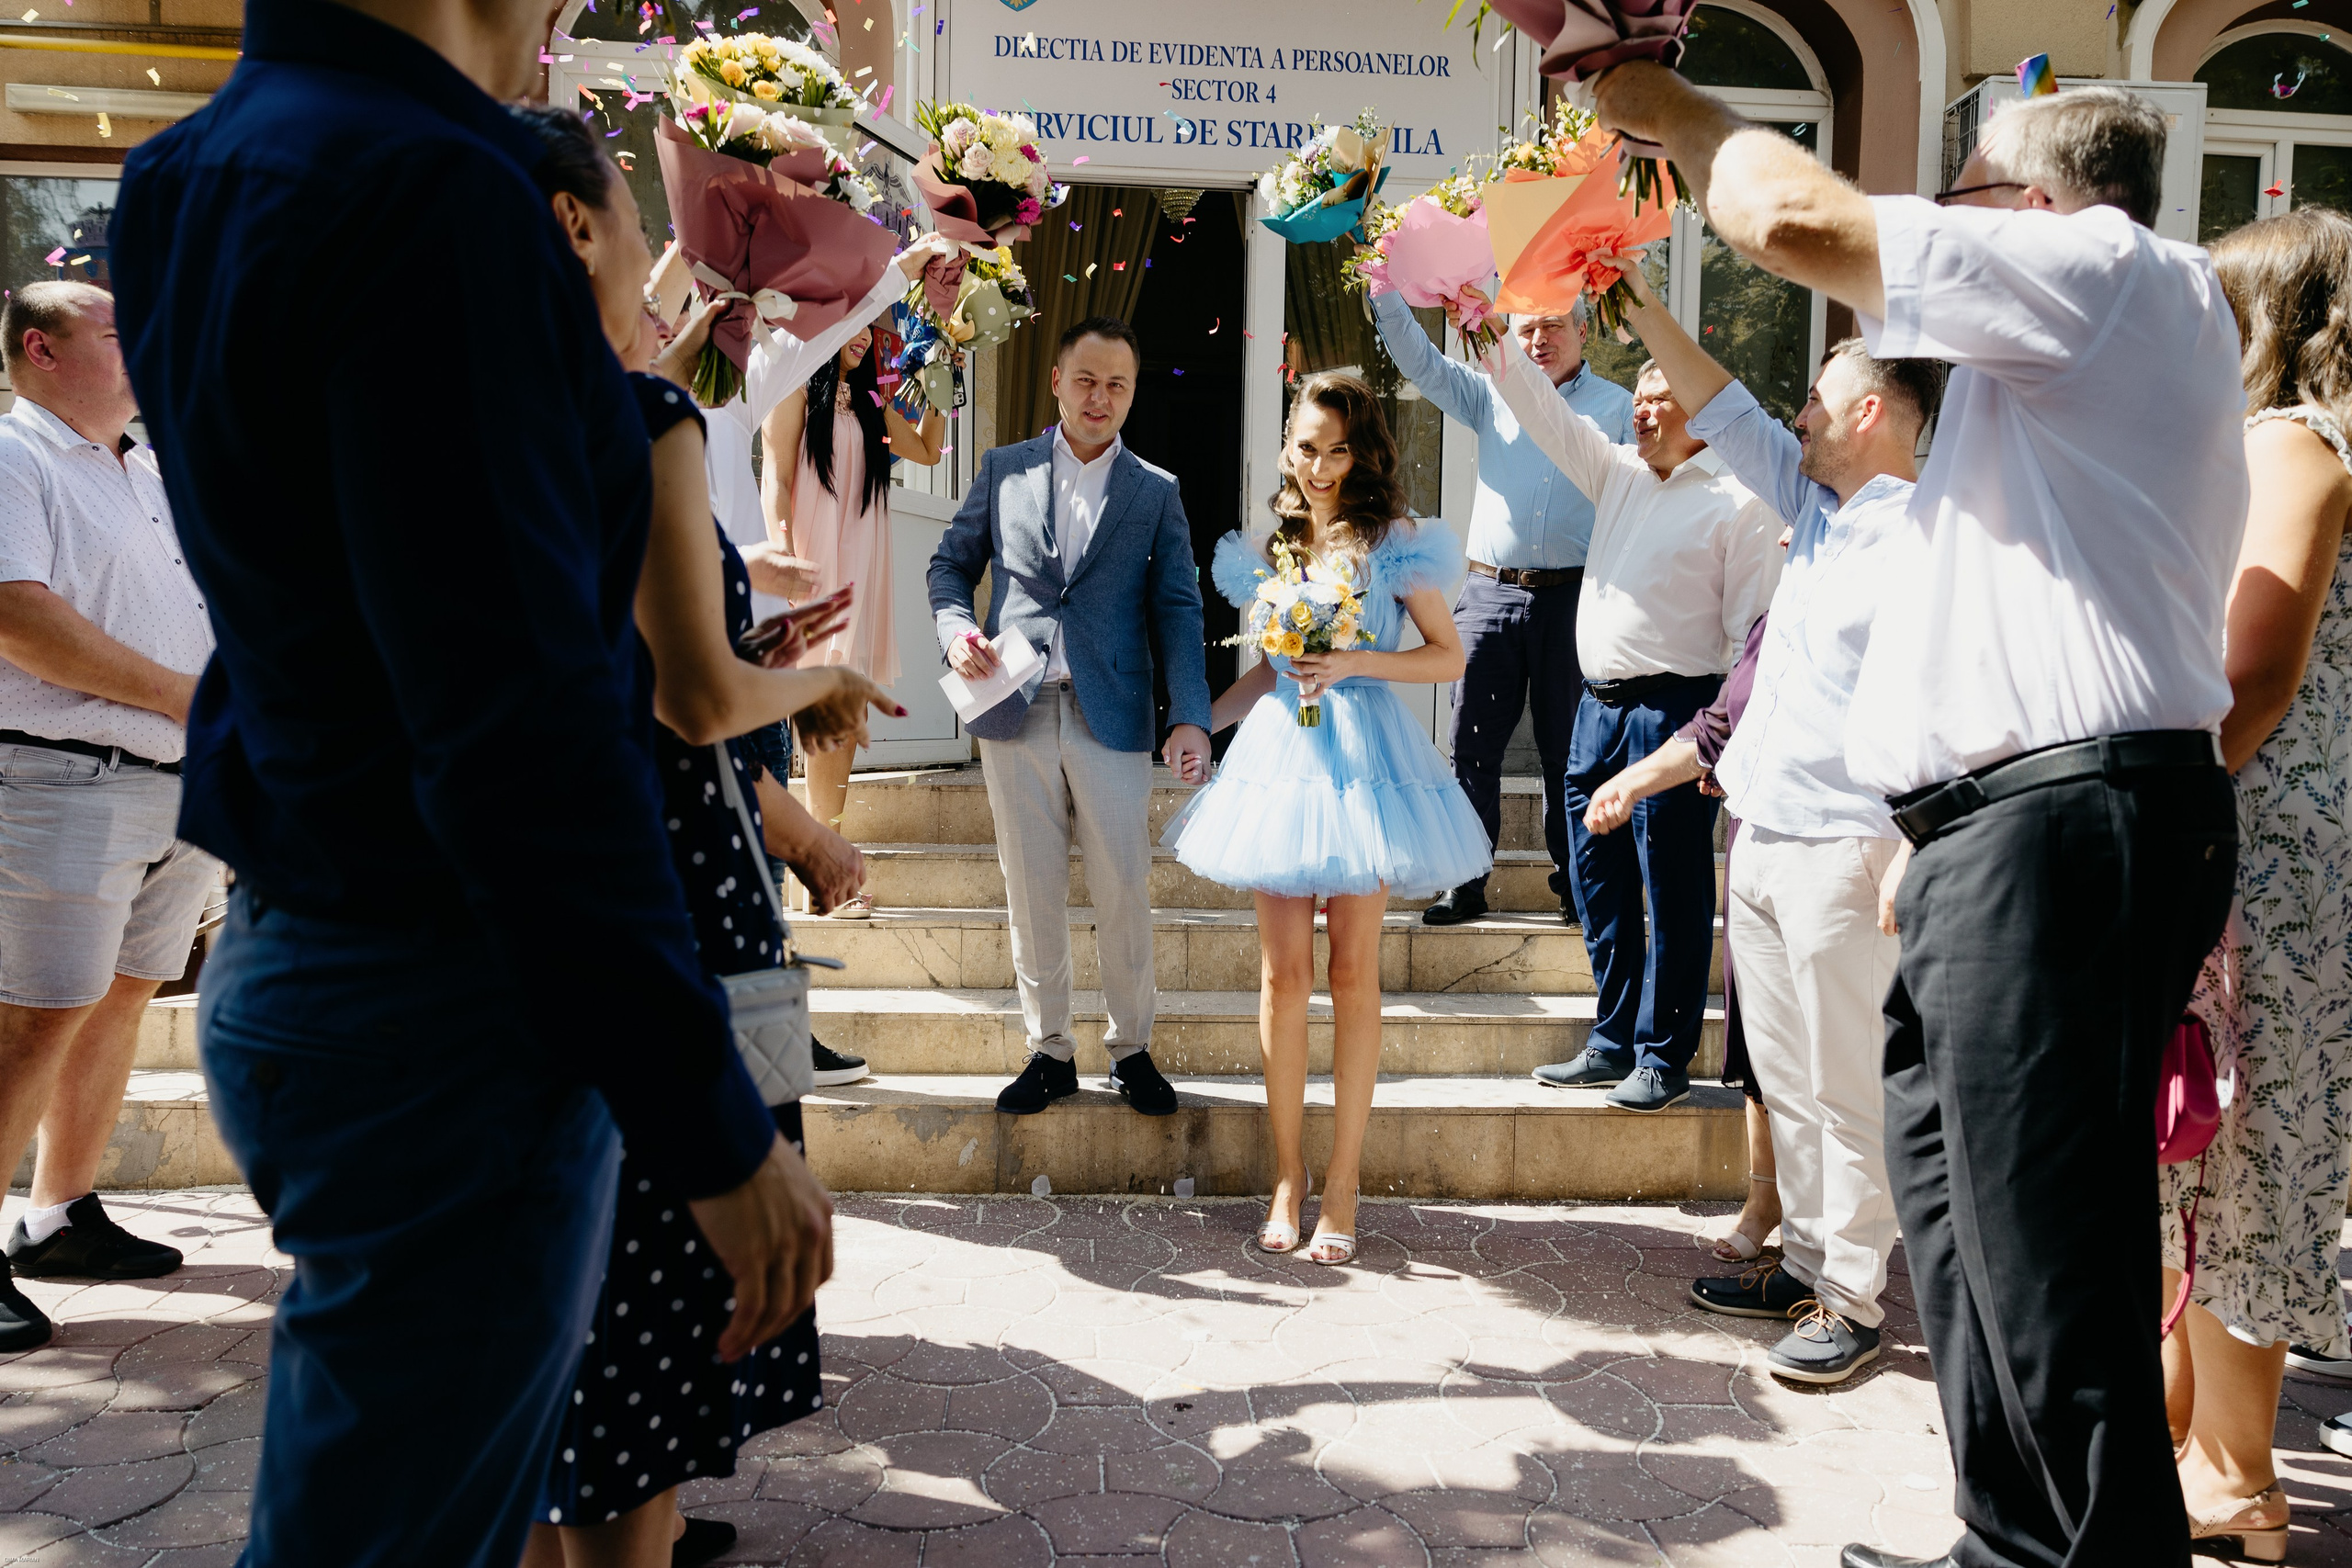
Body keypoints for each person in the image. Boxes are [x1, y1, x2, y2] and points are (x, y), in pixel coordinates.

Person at [107, 0, 850, 1559]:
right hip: (444, 996)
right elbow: (514, 718)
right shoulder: (429, 191)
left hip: (304, 934)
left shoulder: (187, 168)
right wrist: (708, 1122)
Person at [1589, 66, 2246, 1568]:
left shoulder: (2107, 273)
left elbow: (1791, 218)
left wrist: (1655, 97)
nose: (1942, 223)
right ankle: (2004, 1538)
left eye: (1963, 197)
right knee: (1971, 1229)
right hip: (1998, 832)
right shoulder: (2026, 399)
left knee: (2050, 1245)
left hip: (2067, 821)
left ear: (2036, 206)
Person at [497, 107, 899, 1568]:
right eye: (635, 217)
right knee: (653, 1322)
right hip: (663, 890)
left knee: (559, 1331)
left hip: (524, 889)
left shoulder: (471, 421)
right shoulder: (641, 424)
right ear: (575, 229)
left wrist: (743, 637)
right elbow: (696, 698)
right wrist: (817, 681)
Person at [1594, 257, 1939, 1386]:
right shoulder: (1814, 510)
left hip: (1847, 845)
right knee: (1783, 1076)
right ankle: (1801, 1264)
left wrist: (1913, 842)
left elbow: (1949, 707)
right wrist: (1632, 298)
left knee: (1845, 1082)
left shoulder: (1927, 538)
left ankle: (1853, 1297)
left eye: (1816, 401)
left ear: (1869, 413)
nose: (1795, 418)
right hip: (1762, 830)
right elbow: (1726, 405)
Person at [1163, 372, 1487, 1266]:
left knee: (1351, 972)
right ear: (1287, 447)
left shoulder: (1396, 541)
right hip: (1281, 763)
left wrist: (1355, 661)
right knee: (1282, 976)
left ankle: (1343, 1183)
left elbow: (1446, 656)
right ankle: (1286, 1176)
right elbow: (1272, 671)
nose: (1319, 466)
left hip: (1366, 767)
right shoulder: (1279, 545)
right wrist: (1199, 723)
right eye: (1307, 447)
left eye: (1337, 450)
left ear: (1362, 452)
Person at [2153, 208, 2352, 1563]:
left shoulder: (2292, 443)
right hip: (2282, 850)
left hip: (2260, 855)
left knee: (2244, 1147)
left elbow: (2257, 668)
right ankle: (2191, 1443)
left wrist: (2159, 807)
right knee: (2213, 1142)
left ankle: (2234, 1478)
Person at [1464, 302, 1784, 1114]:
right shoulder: (1617, 473)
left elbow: (1752, 637)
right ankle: (1611, 1039)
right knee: (1596, 880)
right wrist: (1487, 329)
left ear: (1702, 413)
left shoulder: (1740, 501)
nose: (1639, 412)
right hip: (1596, 711)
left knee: (1671, 887)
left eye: (1658, 398)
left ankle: (1662, 1055)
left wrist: (1724, 744)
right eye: (1635, 399)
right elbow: (1541, 410)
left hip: (1675, 713)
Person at [0, 281, 216, 1349]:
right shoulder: (15, 457)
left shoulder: (146, 469)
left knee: (122, 998)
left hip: (175, 786)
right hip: (62, 780)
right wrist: (182, 696)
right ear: (40, 348)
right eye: (118, 332)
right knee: (34, 1018)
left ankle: (58, 1217)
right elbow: (17, 619)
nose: (146, 346)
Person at [927, 316, 1213, 1120]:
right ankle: (1050, 1051)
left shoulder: (1155, 490)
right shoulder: (1003, 468)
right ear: (1056, 380)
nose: (1100, 397)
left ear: (1132, 393)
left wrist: (1190, 714)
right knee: (1031, 887)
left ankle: (1131, 1050)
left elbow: (1179, 608)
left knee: (1123, 884)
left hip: (1111, 712)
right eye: (1086, 380)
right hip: (1012, 708)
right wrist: (956, 632)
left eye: (1117, 384)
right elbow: (950, 565)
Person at [1364, 287, 1633, 927]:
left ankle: (1578, 885)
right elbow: (1421, 362)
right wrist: (1384, 292)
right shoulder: (1492, 392)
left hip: (1576, 596)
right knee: (1471, 744)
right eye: (1527, 328)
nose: (1539, 339)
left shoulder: (1619, 408)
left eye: (1553, 325)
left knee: (1571, 752)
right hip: (1491, 591)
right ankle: (1465, 880)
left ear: (1584, 332)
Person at [1589, 611, 1778, 1264]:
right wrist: (1631, 781)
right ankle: (1767, 1200)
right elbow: (1721, 722)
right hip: (1757, 837)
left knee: (1830, 1059)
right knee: (1759, 1037)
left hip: (1843, 846)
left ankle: (1837, 1272)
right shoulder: (1779, 612)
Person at [765, 321, 947, 919]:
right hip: (813, 562)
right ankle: (822, 866)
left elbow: (927, 450)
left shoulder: (871, 401)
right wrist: (782, 554)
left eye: (870, 323)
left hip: (861, 561)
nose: (865, 334)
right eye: (852, 321)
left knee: (848, 706)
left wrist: (942, 386)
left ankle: (825, 859)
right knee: (827, 702)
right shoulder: (795, 387)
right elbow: (777, 478)